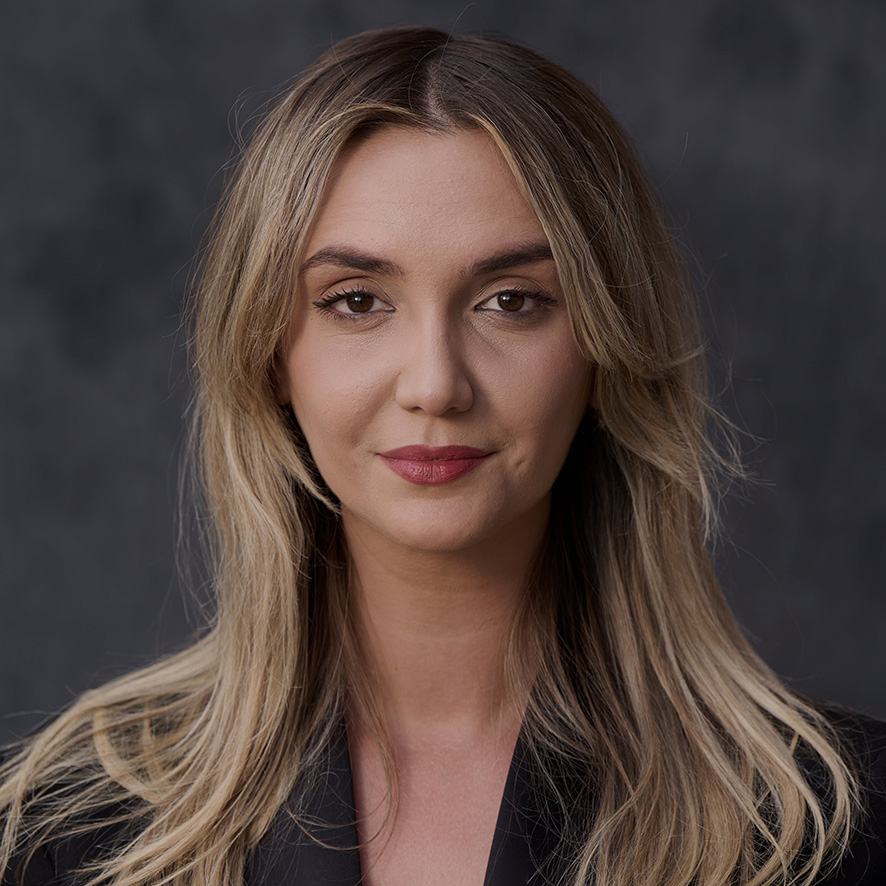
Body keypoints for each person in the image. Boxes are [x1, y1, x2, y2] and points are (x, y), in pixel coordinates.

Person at [1, 25, 884, 886]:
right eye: (355, 302)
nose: (434, 384)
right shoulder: (69, 829)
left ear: (606, 351)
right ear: (270, 353)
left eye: (511, 300)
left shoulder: (832, 826)